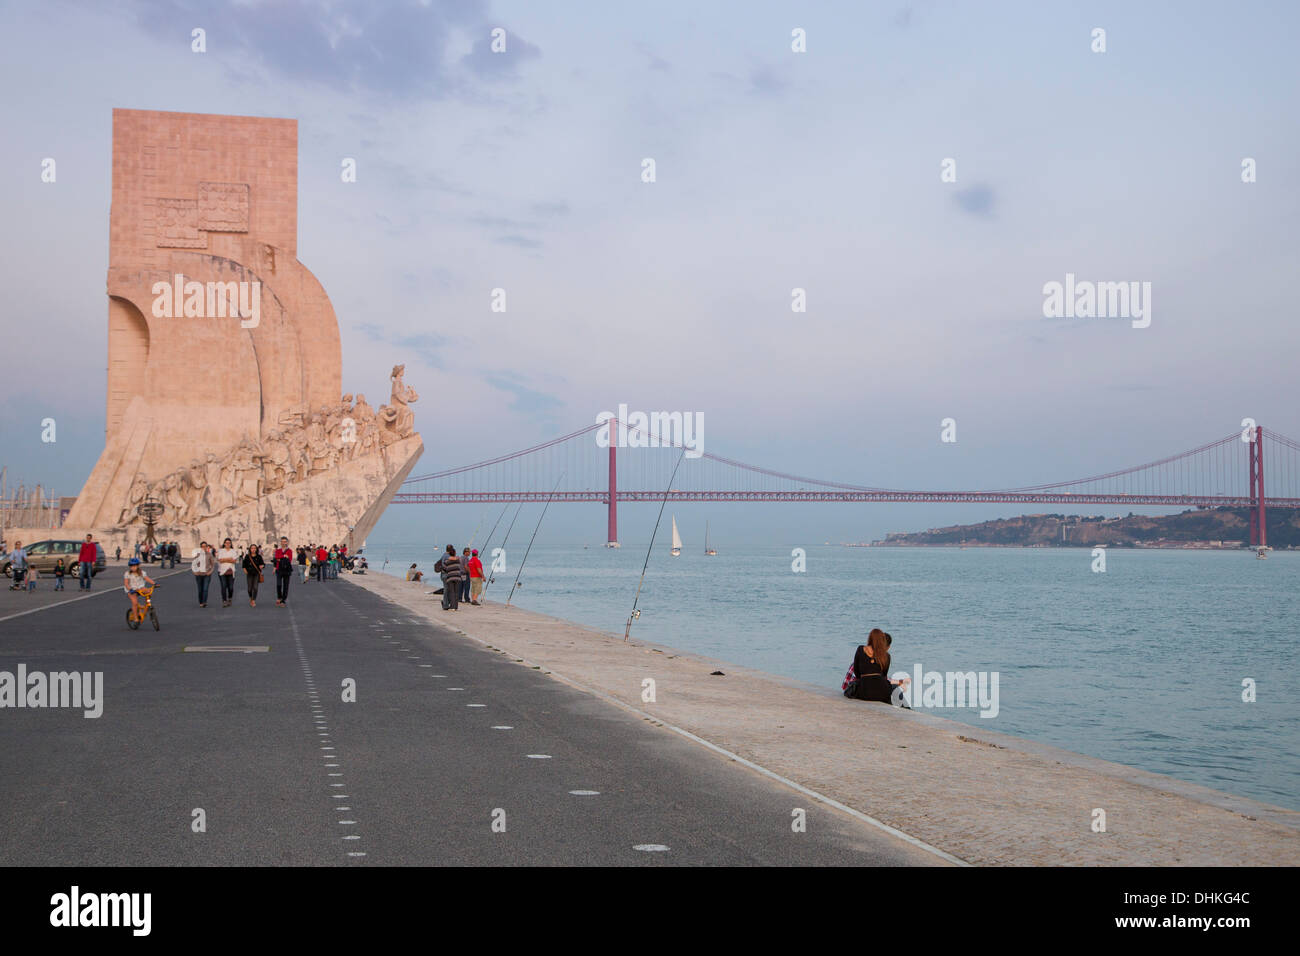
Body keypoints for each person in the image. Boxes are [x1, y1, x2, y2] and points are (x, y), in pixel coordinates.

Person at [845, 629, 910, 704]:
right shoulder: (886, 656)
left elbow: (857, 673)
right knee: (895, 688)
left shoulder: (860, 649)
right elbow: (884, 676)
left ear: (870, 638)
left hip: (864, 691)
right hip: (882, 691)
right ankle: (907, 708)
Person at [124, 557, 155, 621]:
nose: (133, 567)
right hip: (132, 589)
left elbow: (147, 578)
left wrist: (154, 583)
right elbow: (126, 583)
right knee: (135, 603)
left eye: (135, 566)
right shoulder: (127, 574)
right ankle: (135, 617)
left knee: (149, 591)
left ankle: (147, 606)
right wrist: (130, 589)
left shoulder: (142, 573)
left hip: (140, 587)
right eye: (131, 566)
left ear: (138, 566)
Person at [434, 545, 463, 610]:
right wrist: (457, 558)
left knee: (448, 590)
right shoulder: (447, 556)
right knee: (447, 590)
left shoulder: (444, 555)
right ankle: (446, 604)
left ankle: (448, 604)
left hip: (446, 574)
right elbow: (452, 560)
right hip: (446, 574)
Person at [215, 537, 238, 607]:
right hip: (222, 571)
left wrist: (225, 559)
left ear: (231, 544)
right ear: (224, 544)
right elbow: (220, 560)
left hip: (230, 571)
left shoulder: (233, 551)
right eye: (226, 543)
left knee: (231, 587)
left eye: (229, 543)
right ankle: (224, 601)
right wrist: (229, 559)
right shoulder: (220, 551)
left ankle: (230, 598)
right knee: (223, 586)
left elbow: (234, 561)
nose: (227, 544)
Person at [192, 541, 215, 607]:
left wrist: (210, 572)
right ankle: (201, 602)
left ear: (207, 547)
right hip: (199, 574)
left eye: (205, 546)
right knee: (200, 589)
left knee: (205, 589)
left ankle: (204, 602)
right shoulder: (197, 555)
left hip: (206, 574)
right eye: (202, 546)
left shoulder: (209, 555)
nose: (204, 548)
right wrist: (194, 572)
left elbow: (212, 564)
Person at [274, 537, 295, 607]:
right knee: (278, 584)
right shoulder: (278, 550)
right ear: (280, 542)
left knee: (286, 586)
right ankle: (279, 597)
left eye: (285, 541)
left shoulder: (290, 551)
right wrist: (284, 556)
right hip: (279, 569)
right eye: (282, 541)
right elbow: (276, 557)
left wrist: (281, 559)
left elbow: (290, 559)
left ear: (287, 542)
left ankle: (283, 600)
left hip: (287, 570)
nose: (283, 543)